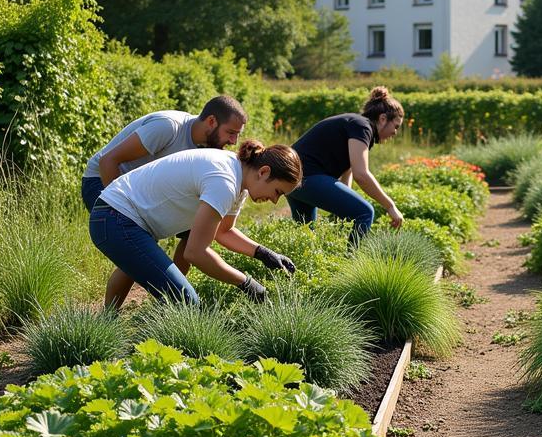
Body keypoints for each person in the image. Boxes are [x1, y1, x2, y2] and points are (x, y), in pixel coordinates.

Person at [89, 141, 301, 308]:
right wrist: (247, 283)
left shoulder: (238, 179)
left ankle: (107, 325)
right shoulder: (224, 182)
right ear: (264, 172)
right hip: (114, 218)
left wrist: (262, 253)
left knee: (137, 265)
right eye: (278, 192)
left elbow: (223, 232)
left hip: (116, 217)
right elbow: (195, 253)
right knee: (187, 301)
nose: (275, 201)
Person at [82, 95, 248, 211]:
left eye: (237, 135)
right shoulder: (169, 127)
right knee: (136, 244)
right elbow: (108, 161)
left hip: (135, 191)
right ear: (211, 121)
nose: (233, 141)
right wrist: (120, 211)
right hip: (100, 181)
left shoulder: (205, 148)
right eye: (230, 132)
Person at [287, 86, 405, 242]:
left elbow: (348, 171)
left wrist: (343, 203)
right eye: (395, 126)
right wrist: (390, 206)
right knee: (365, 212)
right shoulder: (363, 127)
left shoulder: (356, 124)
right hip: (306, 175)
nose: (395, 132)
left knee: (306, 238)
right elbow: (361, 175)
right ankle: (352, 264)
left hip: (290, 176)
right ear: (383, 119)